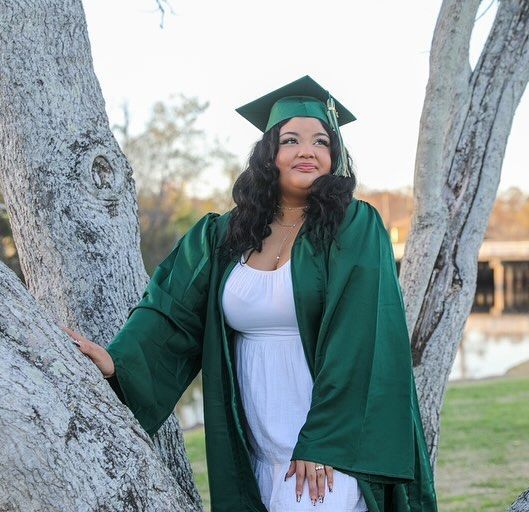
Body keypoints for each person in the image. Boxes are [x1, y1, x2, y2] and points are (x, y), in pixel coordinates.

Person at [64, 75, 438, 512]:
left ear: (333, 156)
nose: (307, 150)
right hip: (252, 443)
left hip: (325, 449)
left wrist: (324, 440)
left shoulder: (354, 228)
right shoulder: (224, 235)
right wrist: (120, 363)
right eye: (291, 140)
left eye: (321, 141)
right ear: (269, 155)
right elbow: (171, 312)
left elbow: (359, 337)